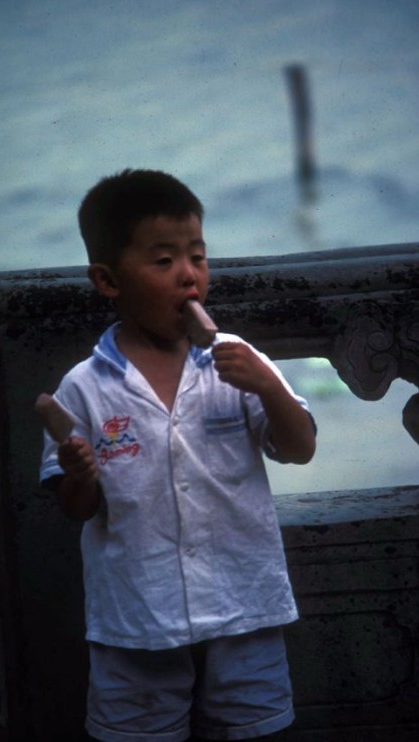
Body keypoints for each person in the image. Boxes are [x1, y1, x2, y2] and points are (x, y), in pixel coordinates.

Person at [39, 169, 316, 742]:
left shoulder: (239, 363)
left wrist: (268, 385)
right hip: (137, 621)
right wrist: (79, 475)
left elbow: (300, 448)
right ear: (108, 279)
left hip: (245, 608)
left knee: (259, 730)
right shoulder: (83, 388)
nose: (189, 275)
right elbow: (77, 508)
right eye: (163, 261)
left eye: (198, 257)